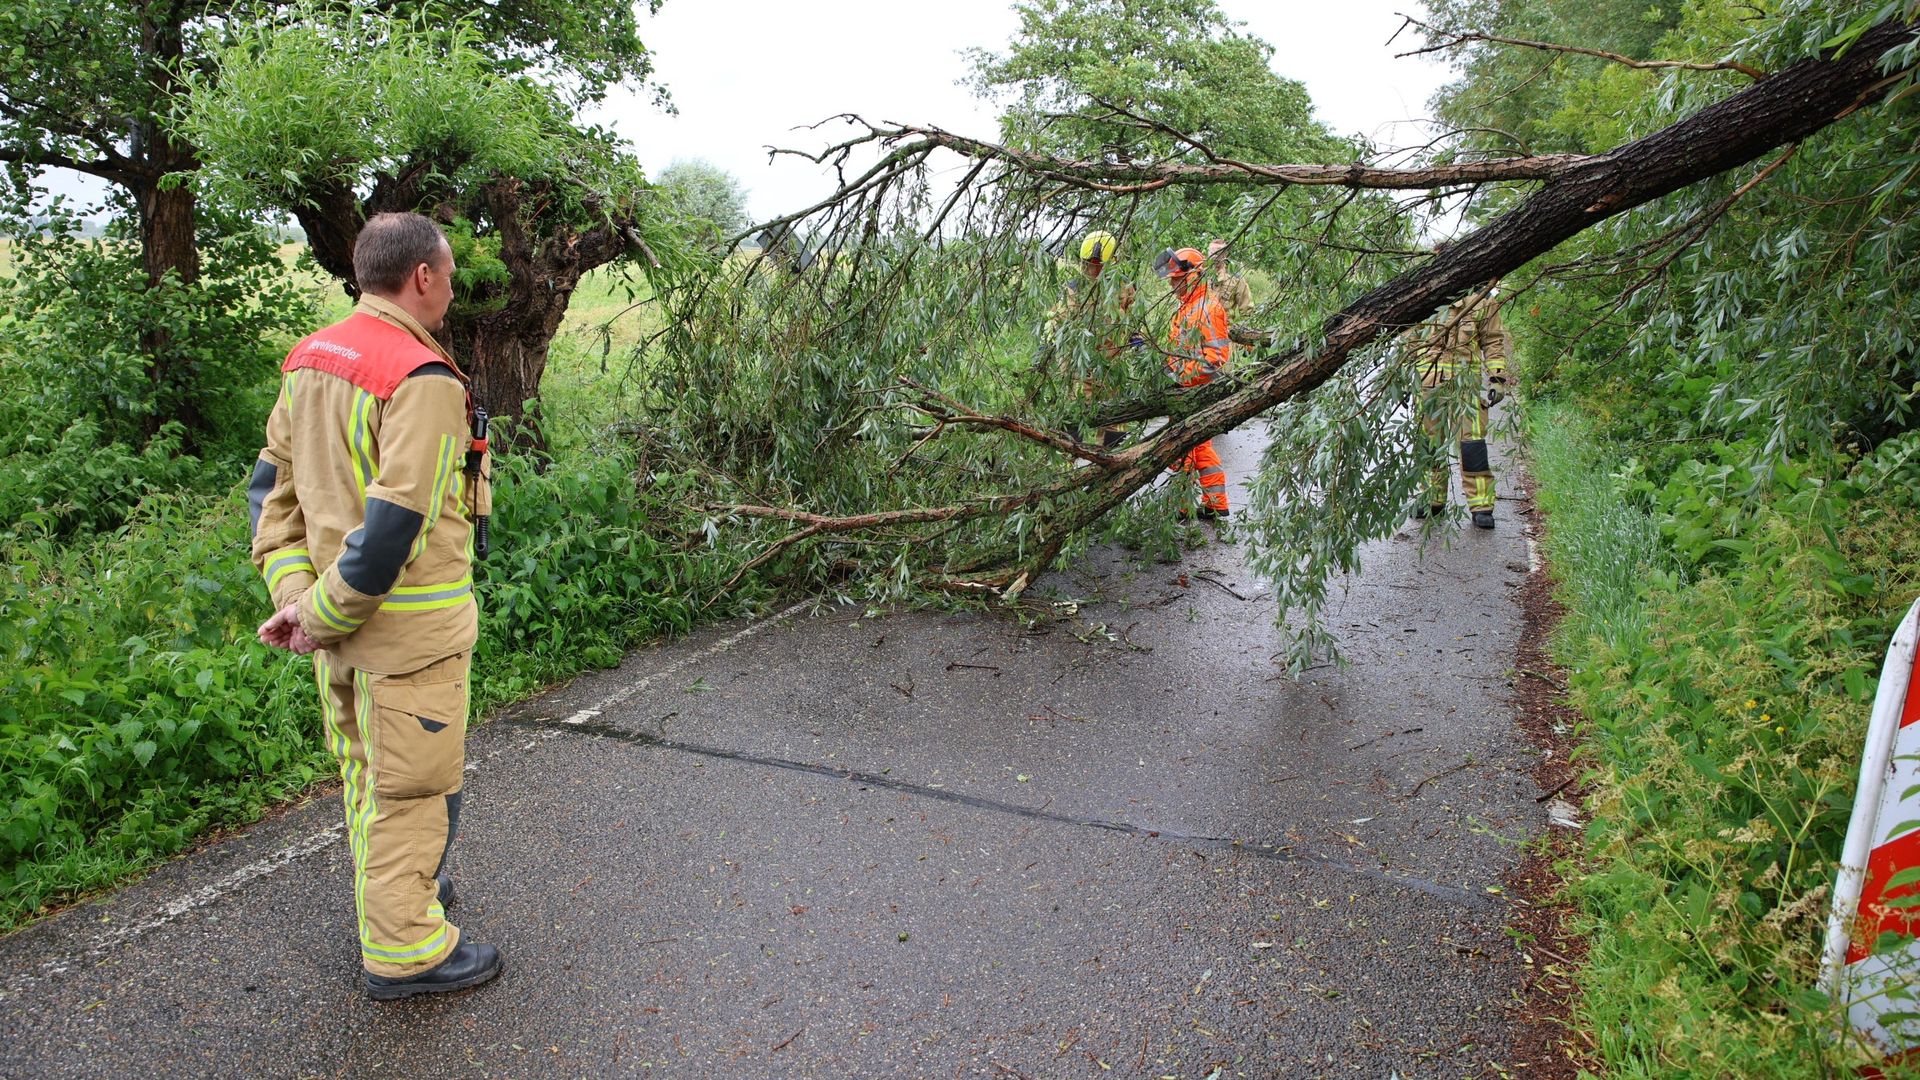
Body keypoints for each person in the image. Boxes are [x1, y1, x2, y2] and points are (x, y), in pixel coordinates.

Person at [249, 212, 501, 1000]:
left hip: (337, 632)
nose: (453, 287)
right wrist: (321, 613)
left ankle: (402, 890)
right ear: (421, 277)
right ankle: (407, 949)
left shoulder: (313, 358)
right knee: (413, 789)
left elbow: (271, 494)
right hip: (403, 636)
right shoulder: (421, 378)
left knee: (368, 773)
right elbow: (397, 523)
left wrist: (297, 598)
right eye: (450, 274)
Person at [1412, 284, 1512, 529]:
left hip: (1467, 390)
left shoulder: (1481, 303)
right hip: (1428, 389)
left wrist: (1497, 378)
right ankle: (1432, 500)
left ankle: (1481, 506)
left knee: (1472, 446)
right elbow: (1409, 343)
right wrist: (1405, 382)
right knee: (1429, 445)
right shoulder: (1423, 300)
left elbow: (1493, 341)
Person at [1041, 230, 1138, 449]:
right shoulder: (1072, 290)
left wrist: (1137, 343)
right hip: (1079, 371)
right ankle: (1070, 467)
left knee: (1115, 423)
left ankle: (1112, 468)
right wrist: (1045, 352)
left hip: (1111, 369)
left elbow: (1132, 323)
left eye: (1099, 265)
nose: (1094, 270)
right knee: (1074, 419)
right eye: (1090, 264)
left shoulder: (1125, 288)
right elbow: (1056, 326)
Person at [1156, 246, 1232, 519]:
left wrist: (1181, 376)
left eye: (1176, 279)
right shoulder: (1189, 307)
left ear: (1192, 276)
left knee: (1185, 446)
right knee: (1196, 447)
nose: (1173, 285)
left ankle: (1185, 506)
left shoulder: (1207, 308)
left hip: (1196, 391)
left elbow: (1214, 360)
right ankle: (1212, 503)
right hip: (1187, 391)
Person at [1206, 239, 1252, 319]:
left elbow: (1246, 309)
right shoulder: (1201, 276)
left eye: (1218, 252)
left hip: (1225, 328)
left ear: (1225, 254)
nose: (1214, 255)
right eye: (1211, 252)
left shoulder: (1236, 278)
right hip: (1202, 327)